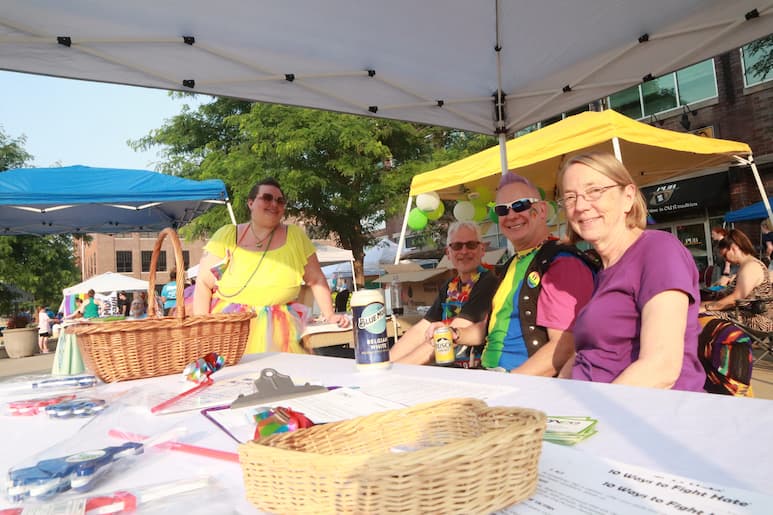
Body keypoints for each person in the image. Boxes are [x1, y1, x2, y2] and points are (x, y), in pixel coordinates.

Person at [556, 152, 705, 391]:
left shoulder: (658, 250)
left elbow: (661, 368)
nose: (581, 206)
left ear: (628, 197)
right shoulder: (605, 269)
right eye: (570, 197)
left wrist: (589, 415)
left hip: (639, 414)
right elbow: (586, 353)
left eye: (594, 191)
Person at [428, 173, 596, 375]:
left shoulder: (562, 263)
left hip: (526, 389)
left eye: (520, 205)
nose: (511, 215)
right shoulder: (510, 265)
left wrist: (507, 384)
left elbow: (565, 347)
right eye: (502, 210)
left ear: (541, 210)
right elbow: (492, 328)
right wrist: (454, 333)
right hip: (491, 375)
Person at [194, 177, 349, 354]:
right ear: (250, 203)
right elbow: (203, 283)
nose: (274, 204)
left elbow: (316, 279)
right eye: (267, 198)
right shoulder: (227, 235)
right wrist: (202, 327)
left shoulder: (296, 236)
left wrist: (330, 315)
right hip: (231, 327)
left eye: (280, 201)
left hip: (281, 330)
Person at [390, 222, 499, 367]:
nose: (464, 251)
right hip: (448, 368)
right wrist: (386, 362)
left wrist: (397, 370)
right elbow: (420, 330)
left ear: (482, 249)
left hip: (475, 370)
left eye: (471, 245)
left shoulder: (489, 282)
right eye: (457, 246)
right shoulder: (449, 286)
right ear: (448, 253)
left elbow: (448, 337)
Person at [701, 228, 773, 332]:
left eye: (725, 255)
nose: (726, 260)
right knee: (697, 310)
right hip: (746, 315)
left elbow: (736, 299)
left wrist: (708, 307)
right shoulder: (748, 265)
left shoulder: (751, 267)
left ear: (734, 248)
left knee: (700, 317)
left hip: (755, 320)